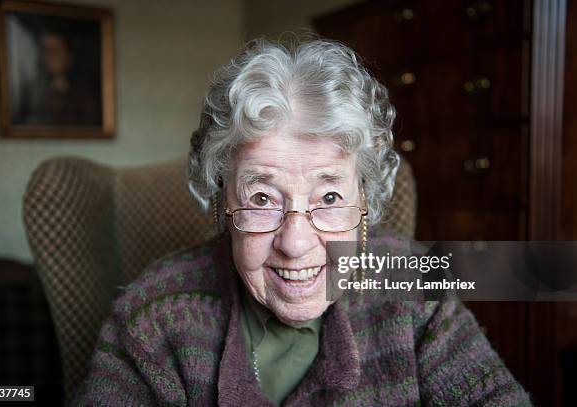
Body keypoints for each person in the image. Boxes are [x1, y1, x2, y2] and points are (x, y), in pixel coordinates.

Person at [74, 37, 531, 406]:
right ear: (222, 206)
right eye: (261, 198)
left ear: (365, 201)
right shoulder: (153, 320)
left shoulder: (414, 288)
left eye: (329, 195)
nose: (295, 242)